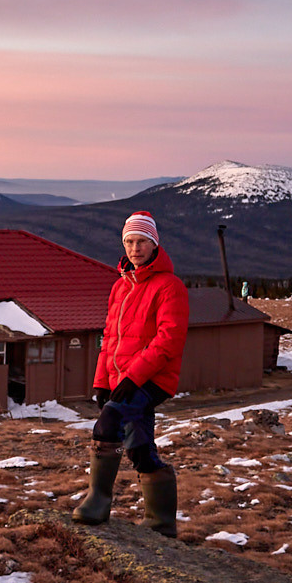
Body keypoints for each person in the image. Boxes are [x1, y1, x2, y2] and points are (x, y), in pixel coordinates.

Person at [73, 211, 189, 535]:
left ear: (154, 245)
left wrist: (133, 378)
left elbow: (169, 340)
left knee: (107, 424)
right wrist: (101, 381)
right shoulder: (120, 288)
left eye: (141, 242)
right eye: (129, 242)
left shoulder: (170, 287)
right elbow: (109, 338)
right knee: (139, 448)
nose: (135, 248)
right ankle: (162, 522)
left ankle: (97, 502)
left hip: (153, 379)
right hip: (122, 380)